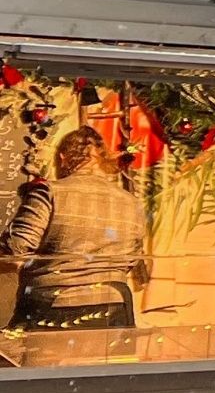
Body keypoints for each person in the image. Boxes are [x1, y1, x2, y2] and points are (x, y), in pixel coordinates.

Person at [6, 130, 150, 331]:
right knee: (102, 363)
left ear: (62, 158)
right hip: (115, 305)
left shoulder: (49, 192)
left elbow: (17, 247)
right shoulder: (131, 202)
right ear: (100, 160)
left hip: (53, 307)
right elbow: (133, 258)